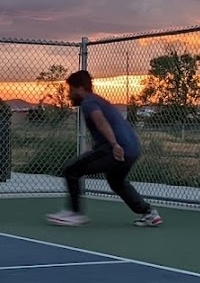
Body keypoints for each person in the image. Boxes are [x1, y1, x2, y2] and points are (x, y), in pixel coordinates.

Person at [46, 69, 162, 228]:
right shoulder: (98, 100)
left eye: (71, 90)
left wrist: (114, 145)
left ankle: (75, 214)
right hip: (132, 149)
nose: (69, 94)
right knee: (116, 181)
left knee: (70, 171)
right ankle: (149, 213)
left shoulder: (88, 102)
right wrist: (98, 148)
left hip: (116, 149)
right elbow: (107, 126)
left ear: (80, 88)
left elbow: (101, 122)